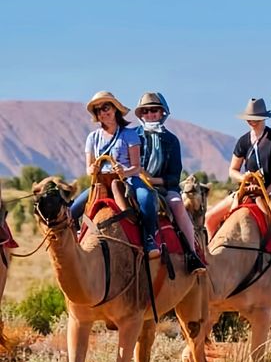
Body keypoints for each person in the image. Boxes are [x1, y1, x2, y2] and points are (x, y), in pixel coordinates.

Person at [204, 97, 271, 279]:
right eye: (249, 116)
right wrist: (244, 177)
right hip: (248, 190)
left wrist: (269, 188)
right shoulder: (243, 142)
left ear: (264, 117)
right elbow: (233, 170)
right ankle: (211, 258)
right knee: (210, 218)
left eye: (256, 116)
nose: (252, 119)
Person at [70, 91, 160, 257]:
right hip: (101, 182)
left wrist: (124, 171)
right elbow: (88, 168)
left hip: (127, 180)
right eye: (98, 110)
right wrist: (92, 170)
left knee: (146, 198)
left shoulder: (129, 134)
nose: (103, 112)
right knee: (72, 210)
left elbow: (136, 166)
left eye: (106, 107)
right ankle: (76, 239)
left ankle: (149, 239)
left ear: (115, 109)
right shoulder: (93, 137)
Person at [135, 92, 206, 274]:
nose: (150, 114)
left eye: (154, 110)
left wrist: (152, 180)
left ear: (162, 113)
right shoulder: (133, 136)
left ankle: (192, 254)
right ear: (141, 114)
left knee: (177, 204)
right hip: (135, 185)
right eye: (146, 111)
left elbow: (174, 176)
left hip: (164, 188)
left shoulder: (172, 141)